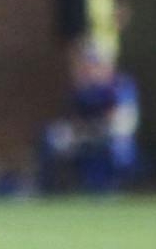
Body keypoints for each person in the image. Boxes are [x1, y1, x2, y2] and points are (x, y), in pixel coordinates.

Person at [39, 42, 139, 194]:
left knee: (119, 147)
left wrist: (93, 128)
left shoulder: (119, 85)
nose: (89, 69)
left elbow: (122, 121)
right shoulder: (80, 89)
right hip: (86, 135)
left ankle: (118, 186)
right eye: (86, 64)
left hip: (109, 135)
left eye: (94, 64)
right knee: (52, 137)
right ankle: (52, 188)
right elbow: (72, 119)